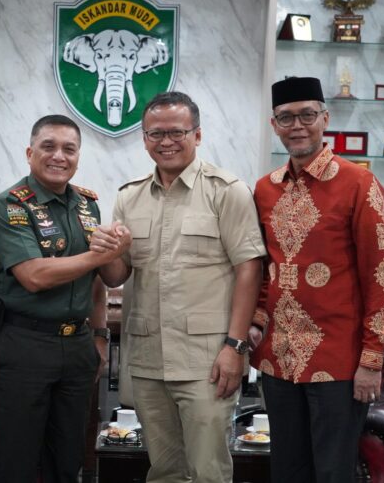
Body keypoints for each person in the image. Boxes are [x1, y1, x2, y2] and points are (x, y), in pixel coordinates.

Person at [93, 91, 266, 483]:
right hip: (149, 358)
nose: (166, 141)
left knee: (207, 471)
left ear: (198, 135)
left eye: (176, 132)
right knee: (163, 470)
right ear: (143, 138)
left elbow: (249, 270)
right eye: (155, 134)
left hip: (206, 360)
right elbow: (117, 276)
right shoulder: (129, 196)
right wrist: (105, 252)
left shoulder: (227, 191)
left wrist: (235, 347)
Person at [250, 76, 384, 483]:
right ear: (273, 124)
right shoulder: (265, 189)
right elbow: (264, 271)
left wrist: (372, 359)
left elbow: (378, 276)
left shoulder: (359, 184)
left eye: (307, 115)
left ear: (325, 118)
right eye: (286, 117)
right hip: (279, 359)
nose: (298, 125)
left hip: (339, 360)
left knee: (333, 471)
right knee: (286, 469)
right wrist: (256, 323)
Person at [0, 114, 128, 482]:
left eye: (69, 149)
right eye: (48, 147)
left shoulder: (87, 205)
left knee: (67, 460)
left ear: (78, 156)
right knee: (15, 460)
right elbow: (33, 276)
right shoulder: (10, 206)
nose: (58, 156)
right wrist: (99, 255)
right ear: (30, 152)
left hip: (78, 346)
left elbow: (101, 278)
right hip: (25, 344)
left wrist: (99, 334)